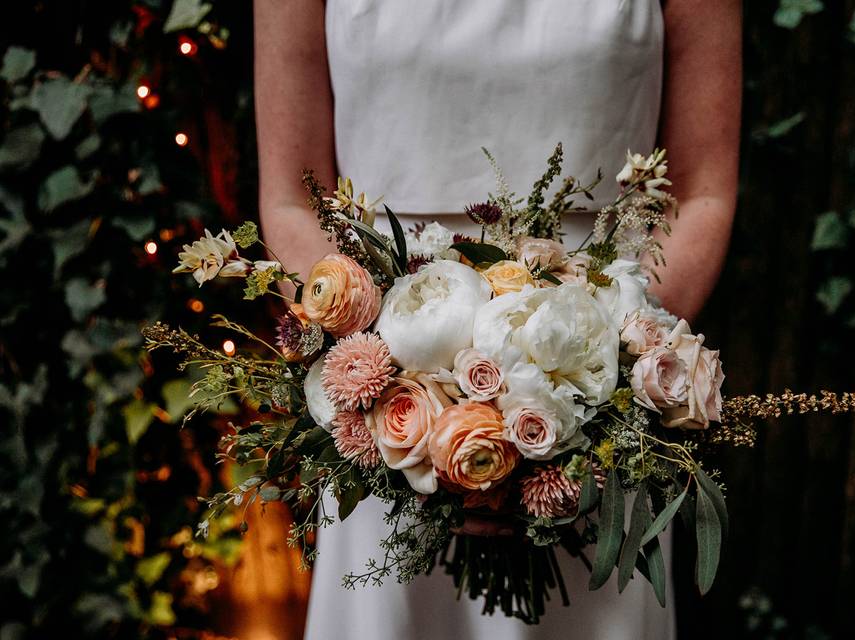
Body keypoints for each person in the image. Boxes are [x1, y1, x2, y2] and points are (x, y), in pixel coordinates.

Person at [255, 1, 740, 638]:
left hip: (594, 410)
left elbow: (701, 190)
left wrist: (620, 378)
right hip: (388, 406)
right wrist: (393, 396)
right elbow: (292, 197)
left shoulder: (604, 392)